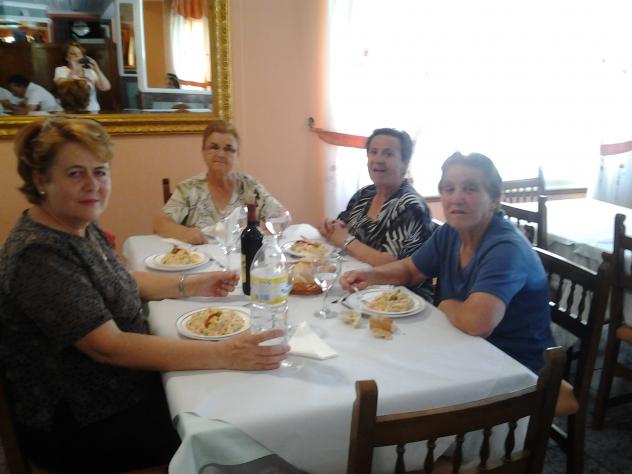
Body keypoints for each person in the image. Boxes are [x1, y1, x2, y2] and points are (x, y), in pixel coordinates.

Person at [0, 117, 289, 473]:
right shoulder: (39, 253)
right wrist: (224, 354)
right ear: (40, 180)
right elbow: (109, 347)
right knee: (237, 428)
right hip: (83, 419)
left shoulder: (76, 225)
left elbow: (120, 280)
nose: (93, 185)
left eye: (100, 172)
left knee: (232, 392)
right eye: (75, 173)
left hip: (122, 388)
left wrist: (193, 284)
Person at [341, 152, 555, 374]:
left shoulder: (506, 248)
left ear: (494, 199)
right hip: (465, 348)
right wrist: (371, 276)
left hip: (516, 369)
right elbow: (410, 269)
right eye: (449, 189)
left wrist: (445, 305)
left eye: (470, 188)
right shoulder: (451, 232)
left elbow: (476, 323)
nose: (457, 198)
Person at [319, 128, 434, 300]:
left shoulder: (411, 206)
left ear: (404, 163)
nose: (378, 159)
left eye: (388, 154)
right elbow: (339, 229)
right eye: (373, 152)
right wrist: (330, 227)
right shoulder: (365, 194)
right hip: (357, 285)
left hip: (398, 299)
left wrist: (346, 240)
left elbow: (392, 264)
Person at [153, 120, 285, 244]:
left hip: (243, 257)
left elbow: (281, 215)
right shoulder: (188, 189)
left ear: (237, 155)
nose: (221, 154)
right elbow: (159, 223)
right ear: (203, 151)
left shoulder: (250, 187)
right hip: (201, 259)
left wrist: (268, 227)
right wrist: (185, 233)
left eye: (228, 149)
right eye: (214, 147)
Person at [54, 41, 111, 113]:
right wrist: (74, 70)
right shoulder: (61, 70)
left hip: (91, 110)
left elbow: (105, 87)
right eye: (73, 54)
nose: (77, 56)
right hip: (70, 111)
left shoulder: (89, 72)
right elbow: (63, 87)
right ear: (66, 57)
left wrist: (97, 70)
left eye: (79, 53)